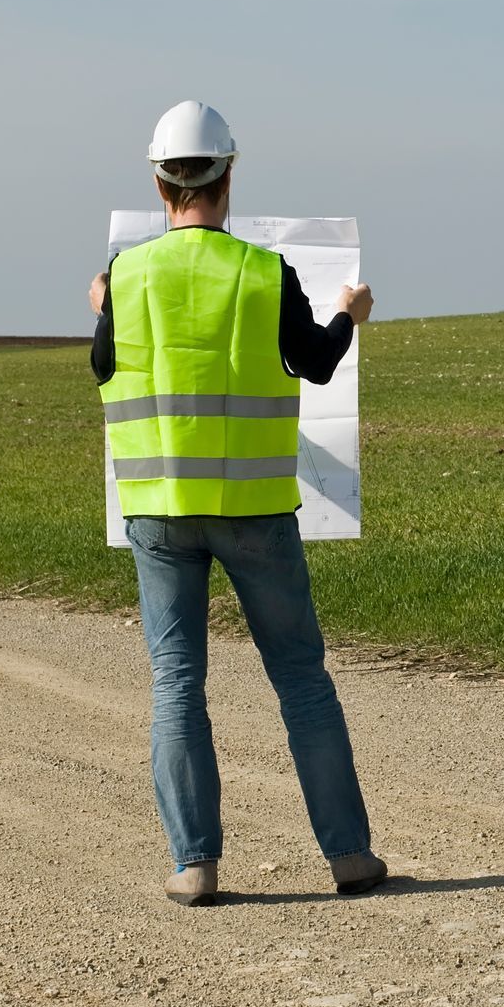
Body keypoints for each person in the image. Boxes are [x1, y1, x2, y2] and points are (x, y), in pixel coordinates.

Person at [88, 100, 385, 906]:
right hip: (256, 508)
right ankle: (350, 855)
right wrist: (347, 315)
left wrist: (102, 306)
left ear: (159, 183)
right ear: (228, 177)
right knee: (301, 678)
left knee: (178, 682)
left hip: (158, 510)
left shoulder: (128, 276)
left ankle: (195, 864)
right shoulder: (265, 272)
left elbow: (102, 364)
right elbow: (317, 363)